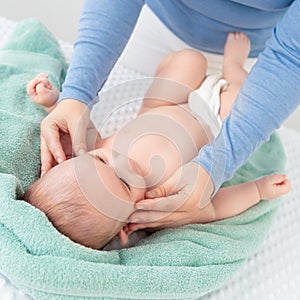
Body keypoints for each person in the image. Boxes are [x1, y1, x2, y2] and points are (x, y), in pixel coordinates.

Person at [39, 1, 300, 231]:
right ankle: (233, 68)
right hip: (213, 119)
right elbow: (212, 208)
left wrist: (61, 102)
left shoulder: (97, 151)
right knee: (237, 99)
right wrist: (258, 190)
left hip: (162, 105)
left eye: (102, 161)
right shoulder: (159, 199)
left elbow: (82, 130)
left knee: (189, 61)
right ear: (130, 221)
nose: (121, 162)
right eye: (123, 182)